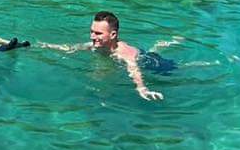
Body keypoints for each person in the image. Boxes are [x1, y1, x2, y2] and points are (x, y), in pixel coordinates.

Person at [41, 11, 180, 101]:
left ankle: (171, 47)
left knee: (176, 68)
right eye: (92, 32)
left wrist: (142, 88)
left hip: (153, 65)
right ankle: (162, 45)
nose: (92, 36)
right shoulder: (96, 44)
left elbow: (133, 69)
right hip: (137, 55)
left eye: (98, 33)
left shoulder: (124, 53)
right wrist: (43, 46)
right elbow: (72, 48)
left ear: (113, 35)